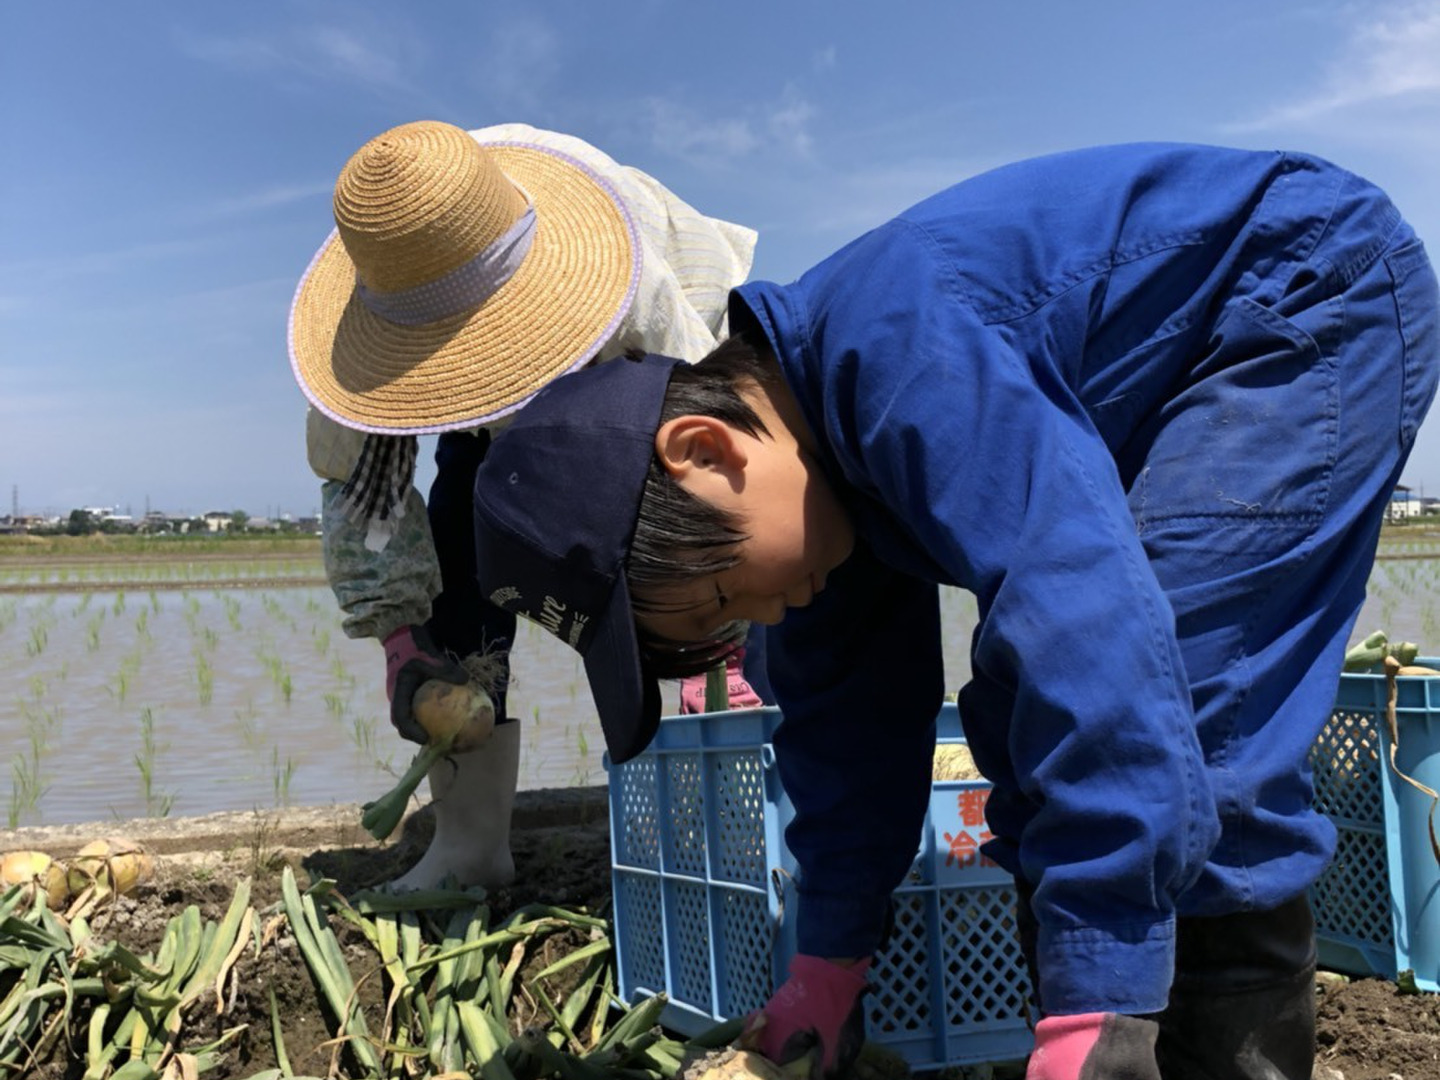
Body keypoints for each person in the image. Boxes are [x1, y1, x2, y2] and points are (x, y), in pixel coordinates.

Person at [464, 142, 1439, 1079]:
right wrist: (827, 964)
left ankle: (1148, 1036)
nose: (756, 613)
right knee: (1038, 720)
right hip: (1183, 361)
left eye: (722, 595)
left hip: (1299, 295)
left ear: (706, 451)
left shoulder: (899, 360)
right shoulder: (815, 486)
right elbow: (845, 734)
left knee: (1187, 715)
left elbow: (1078, 616)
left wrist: (1098, 992)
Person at [287, 119, 768, 892]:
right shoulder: (387, 278)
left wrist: (720, 632)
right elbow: (357, 482)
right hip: (491, 389)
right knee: (463, 531)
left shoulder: (633, 286)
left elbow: (720, 462)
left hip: (636, 374)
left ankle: (726, 837)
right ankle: (470, 848)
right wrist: (402, 639)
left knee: (675, 574)